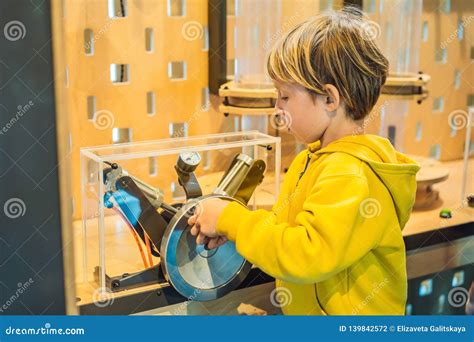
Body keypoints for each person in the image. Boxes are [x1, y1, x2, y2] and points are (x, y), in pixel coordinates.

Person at [188, 7, 420, 315]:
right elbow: (286, 233)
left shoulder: (349, 173)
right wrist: (231, 231)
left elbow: (306, 254)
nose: (277, 107)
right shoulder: (311, 161)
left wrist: (233, 220)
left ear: (329, 99)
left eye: (284, 96)